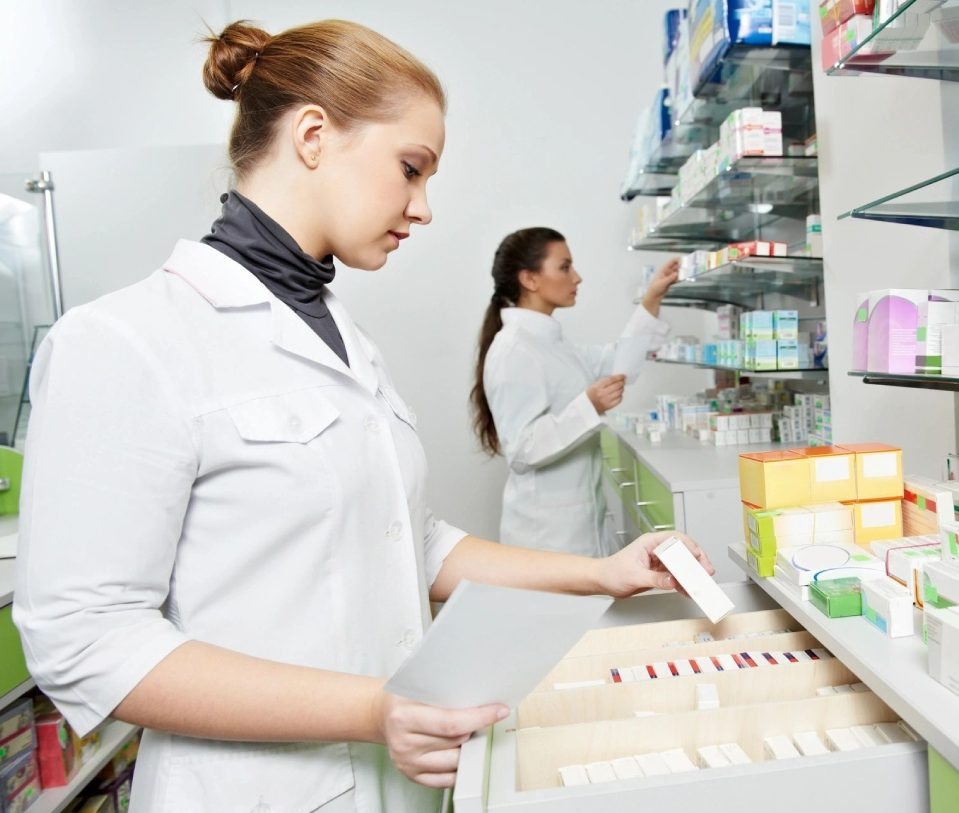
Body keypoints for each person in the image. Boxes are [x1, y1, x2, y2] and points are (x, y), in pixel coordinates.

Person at [13, 20, 713, 813]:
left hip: (397, 786)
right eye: (410, 169)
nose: (422, 208)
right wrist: (369, 709)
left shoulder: (345, 340)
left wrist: (601, 572)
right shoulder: (125, 341)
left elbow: (405, 541)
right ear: (312, 135)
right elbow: (84, 638)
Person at [471, 229, 678, 557]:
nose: (577, 277)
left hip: (577, 522)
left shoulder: (552, 343)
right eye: (565, 267)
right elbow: (522, 450)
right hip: (546, 533)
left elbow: (615, 363)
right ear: (530, 279)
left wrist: (651, 298)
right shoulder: (514, 349)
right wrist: (589, 406)